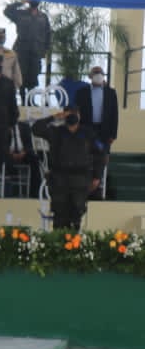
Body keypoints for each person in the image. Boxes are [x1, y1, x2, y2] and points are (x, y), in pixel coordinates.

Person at [31, 104, 106, 231]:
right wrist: (54, 117)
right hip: (60, 180)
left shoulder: (88, 133)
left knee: (76, 218)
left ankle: (74, 247)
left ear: (79, 116)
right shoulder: (56, 132)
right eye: (68, 114)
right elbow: (36, 129)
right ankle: (59, 247)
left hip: (80, 181)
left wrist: (97, 177)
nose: (71, 116)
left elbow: (101, 154)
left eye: (74, 113)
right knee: (60, 219)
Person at [77, 65, 119, 193]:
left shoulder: (110, 93)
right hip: (87, 129)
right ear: (90, 76)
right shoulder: (82, 92)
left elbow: (114, 114)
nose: (98, 74)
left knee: (103, 155)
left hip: (104, 131)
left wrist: (113, 134)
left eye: (101, 73)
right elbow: (77, 112)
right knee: (86, 155)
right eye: (96, 72)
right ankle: (85, 184)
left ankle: (98, 184)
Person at [3, 0, 52, 90]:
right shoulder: (21, 14)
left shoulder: (43, 16)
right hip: (22, 50)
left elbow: (48, 33)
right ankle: (23, 99)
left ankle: (30, 100)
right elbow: (7, 11)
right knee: (21, 74)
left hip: (36, 51)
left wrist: (46, 50)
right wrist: (21, 2)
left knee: (34, 75)